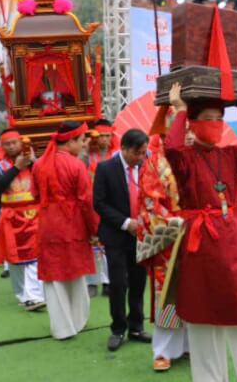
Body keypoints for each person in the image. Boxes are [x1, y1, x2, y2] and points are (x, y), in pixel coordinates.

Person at [166, 82, 237, 382]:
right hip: (200, 243)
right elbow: (171, 148)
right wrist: (179, 110)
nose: (215, 124)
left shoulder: (230, 155)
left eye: (219, 118)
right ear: (193, 122)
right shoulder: (185, 158)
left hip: (230, 240)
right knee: (203, 315)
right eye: (207, 118)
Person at [33, 121, 99, 339]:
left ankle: (61, 328)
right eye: (81, 140)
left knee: (53, 276)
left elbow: (35, 196)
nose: (84, 144)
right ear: (70, 141)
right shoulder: (76, 165)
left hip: (48, 224)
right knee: (75, 272)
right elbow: (86, 201)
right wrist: (94, 229)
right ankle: (78, 320)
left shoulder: (39, 164)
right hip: (72, 222)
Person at [93, 129, 151, 354]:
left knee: (138, 282)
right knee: (118, 284)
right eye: (137, 153)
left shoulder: (146, 167)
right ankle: (118, 329)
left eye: (144, 153)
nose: (141, 157)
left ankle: (136, 327)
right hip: (116, 235)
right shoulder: (106, 168)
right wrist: (127, 223)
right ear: (124, 148)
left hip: (141, 236)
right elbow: (99, 203)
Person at [136, 127, 190, 371]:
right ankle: (164, 350)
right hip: (171, 236)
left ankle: (193, 345)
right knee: (168, 293)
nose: (188, 134)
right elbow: (150, 204)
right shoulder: (155, 163)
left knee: (197, 292)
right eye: (183, 129)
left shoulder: (200, 156)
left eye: (191, 129)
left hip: (199, 232)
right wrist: (175, 223)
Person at [0, 129, 45, 311]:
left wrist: (34, 163)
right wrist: (16, 168)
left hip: (34, 214)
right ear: (1, 145)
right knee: (14, 258)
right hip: (11, 215)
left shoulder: (34, 160)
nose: (12, 146)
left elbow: (44, 181)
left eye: (14, 142)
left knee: (34, 255)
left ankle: (34, 296)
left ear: (21, 143)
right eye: (7, 144)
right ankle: (22, 293)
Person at [85, 118, 116, 298]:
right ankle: (90, 282)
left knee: (108, 244)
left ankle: (107, 281)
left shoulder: (117, 153)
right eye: (101, 136)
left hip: (109, 204)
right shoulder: (86, 154)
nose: (104, 139)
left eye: (107, 135)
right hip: (89, 204)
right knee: (91, 244)